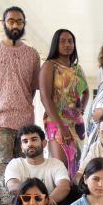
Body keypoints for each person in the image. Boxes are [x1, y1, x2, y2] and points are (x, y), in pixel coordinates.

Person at [0, 6, 41, 192]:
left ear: (24, 24)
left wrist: (20, 103)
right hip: (0, 121)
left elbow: (32, 87)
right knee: (2, 173)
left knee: (25, 170)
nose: (15, 25)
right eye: (11, 21)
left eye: (19, 21)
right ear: (4, 23)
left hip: (25, 122)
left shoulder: (32, 54)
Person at [5, 125, 81, 205]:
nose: (29, 144)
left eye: (34, 139)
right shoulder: (16, 163)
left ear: (44, 143)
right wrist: (37, 200)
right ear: (21, 147)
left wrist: (50, 199)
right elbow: (13, 186)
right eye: (25, 141)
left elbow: (64, 186)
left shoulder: (55, 163)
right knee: (17, 199)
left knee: (69, 197)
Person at [39, 28, 89, 177]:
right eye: (62, 41)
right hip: (56, 121)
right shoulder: (49, 65)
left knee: (76, 165)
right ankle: (59, 199)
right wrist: (61, 125)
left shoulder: (77, 68)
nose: (67, 44)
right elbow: (45, 97)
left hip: (76, 123)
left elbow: (86, 91)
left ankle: (72, 199)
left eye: (70, 41)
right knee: (61, 167)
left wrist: (82, 109)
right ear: (56, 44)